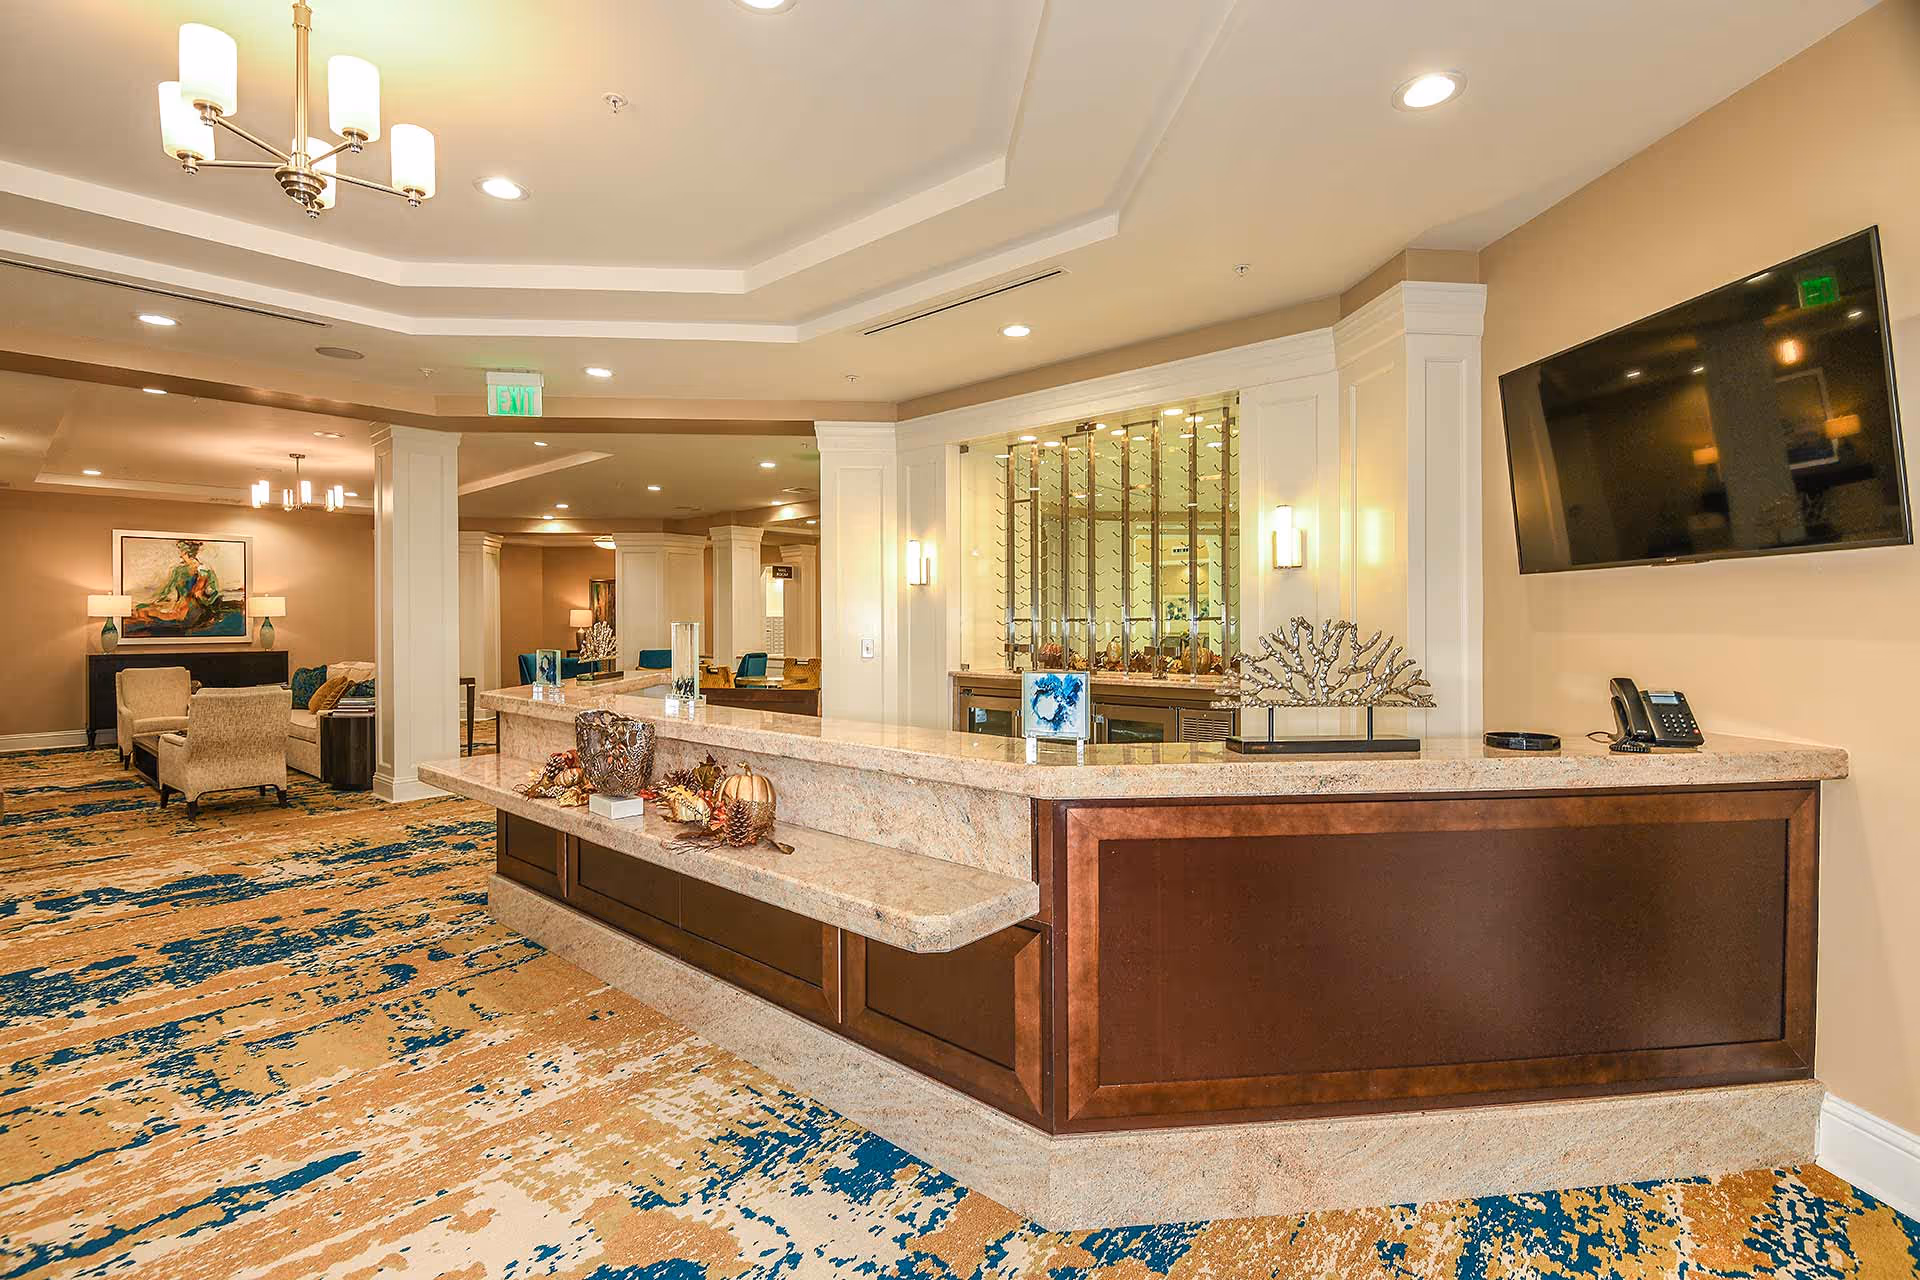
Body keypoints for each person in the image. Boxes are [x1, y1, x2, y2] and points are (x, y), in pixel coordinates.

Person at [129, 540, 224, 635]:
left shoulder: (203, 571)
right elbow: (167, 590)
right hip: (181, 606)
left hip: (191, 609)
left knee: (146, 613)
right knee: (143, 610)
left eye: (182, 553)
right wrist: (157, 602)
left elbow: (200, 593)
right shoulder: (179, 570)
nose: (180, 556)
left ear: (188, 553)